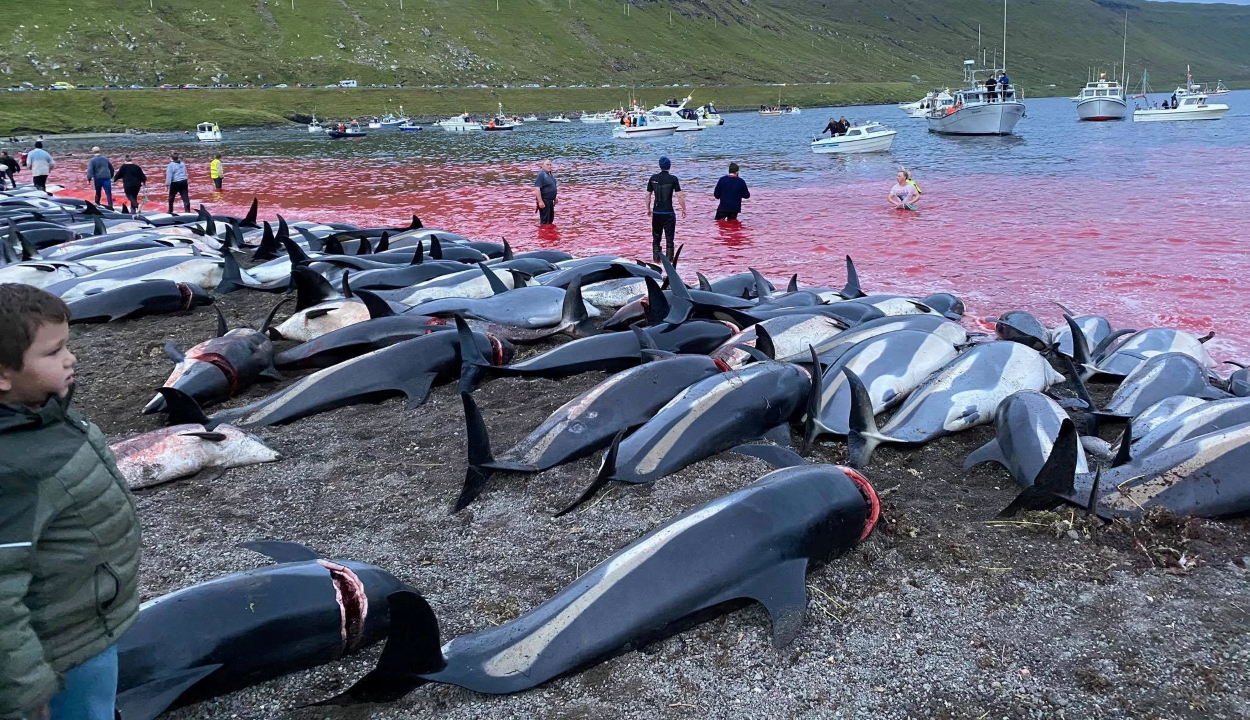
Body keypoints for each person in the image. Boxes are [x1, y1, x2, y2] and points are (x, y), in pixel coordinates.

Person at [0, 283, 142, 720]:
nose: (71, 358)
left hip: (85, 621)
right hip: (59, 652)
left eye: (68, 345)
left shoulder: (43, 414)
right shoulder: (14, 468)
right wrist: (27, 692)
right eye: (53, 352)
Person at [646, 156, 686, 263]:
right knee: (669, 238)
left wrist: (648, 209)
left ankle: (656, 259)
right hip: (668, 212)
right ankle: (669, 261)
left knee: (656, 237)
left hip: (656, 212)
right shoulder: (673, 179)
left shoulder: (653, 178)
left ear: (660, 166)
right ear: (669, 166)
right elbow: (679, 196)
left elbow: (647, 196)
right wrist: (684, 209)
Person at [531, 159, 558, 226]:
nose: (549, 166)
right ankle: (543, 235)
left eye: (550, 164)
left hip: (550, 200)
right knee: (545, 221)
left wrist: (555, 197)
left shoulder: (550, 174)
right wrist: (540, 201)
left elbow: (552, 186)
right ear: (542, 166)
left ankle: (549, 235)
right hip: (544, 200)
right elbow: (537, 188)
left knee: (550, 220)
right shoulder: (541, 174)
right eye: (547, 165)